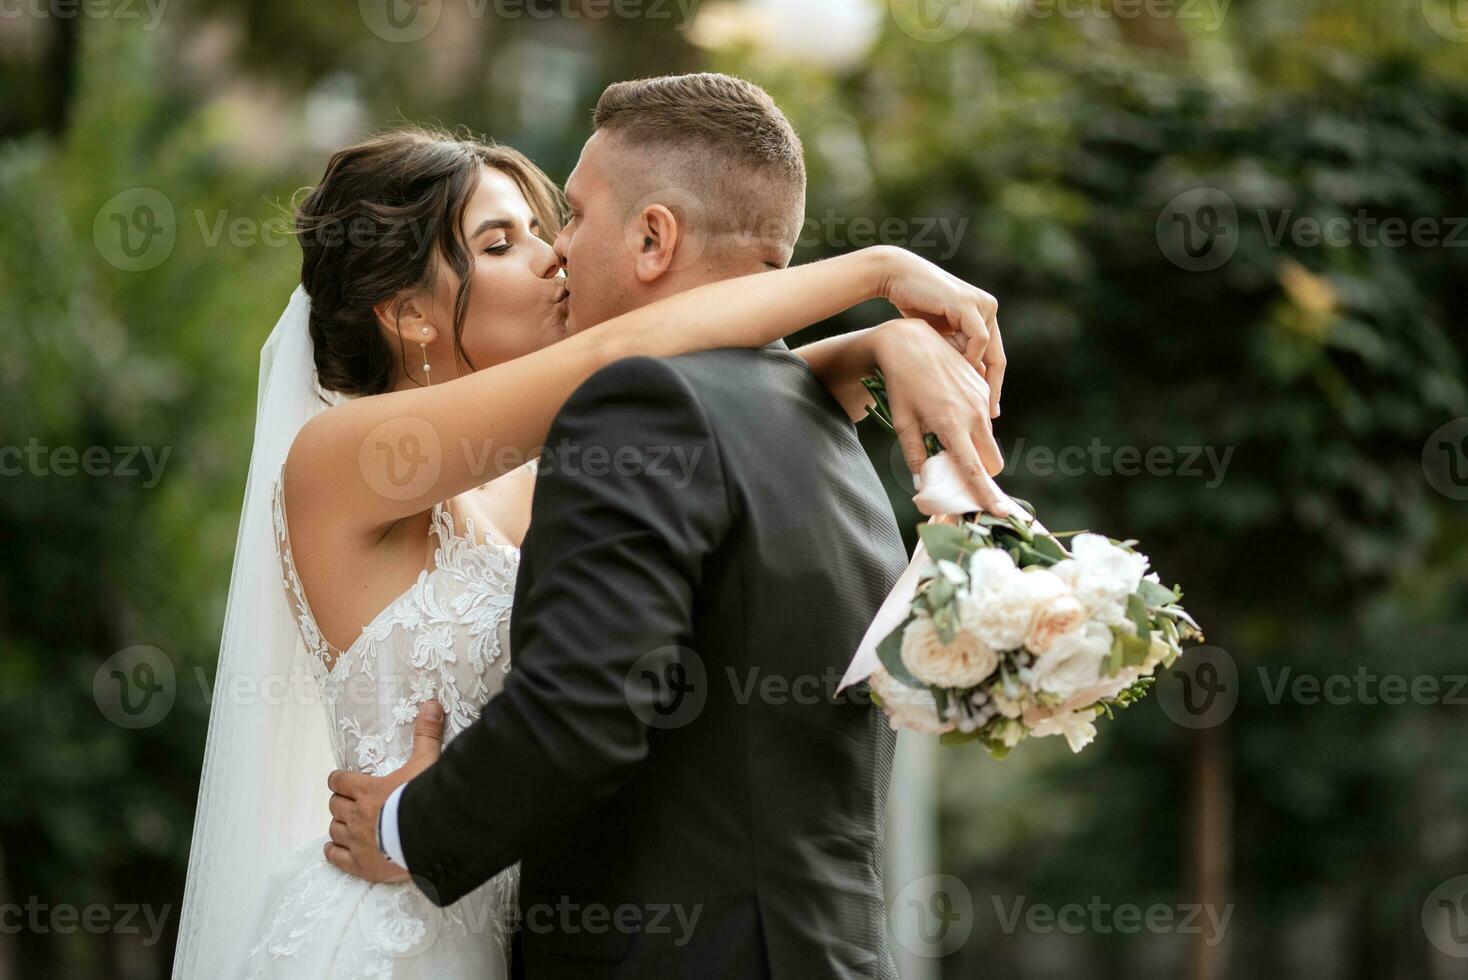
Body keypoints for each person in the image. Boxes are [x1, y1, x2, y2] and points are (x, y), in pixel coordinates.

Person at [173, 73, 1007, 980]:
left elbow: (703, 425)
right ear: (409, 313)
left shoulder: (527, 477)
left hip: (490, 912)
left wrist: (877, 349)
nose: (553, 258)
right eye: (501, 242)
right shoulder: (340, 457)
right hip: (388, 922)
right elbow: (623, 357)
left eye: (547, 225)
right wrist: (876, 272)